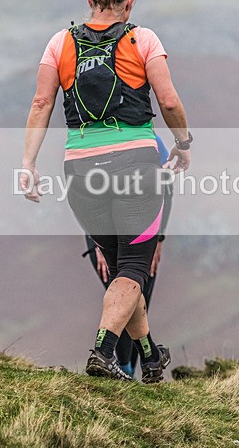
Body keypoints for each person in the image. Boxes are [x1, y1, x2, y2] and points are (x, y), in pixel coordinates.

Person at [21, 0, 192, 383]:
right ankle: (103, 351)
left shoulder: (59, 44)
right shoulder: (142, 39)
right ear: (129, 3)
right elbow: (168, 101)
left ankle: (150, 357)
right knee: (134, 267)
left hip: (79, 173)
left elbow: (42, 104)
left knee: (122, 271)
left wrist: (28, 163)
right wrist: (184, 144)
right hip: (135, 167)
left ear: (89, 0)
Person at [82, 133, 174, 379]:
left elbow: (167, 188)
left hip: (144, 230)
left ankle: (145, 362)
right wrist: (97, 243)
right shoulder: (93, 134)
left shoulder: (149, 136)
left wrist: (159, 238)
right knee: (122, 300)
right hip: (103, 237)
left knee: (136, 298)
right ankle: (127, 365)